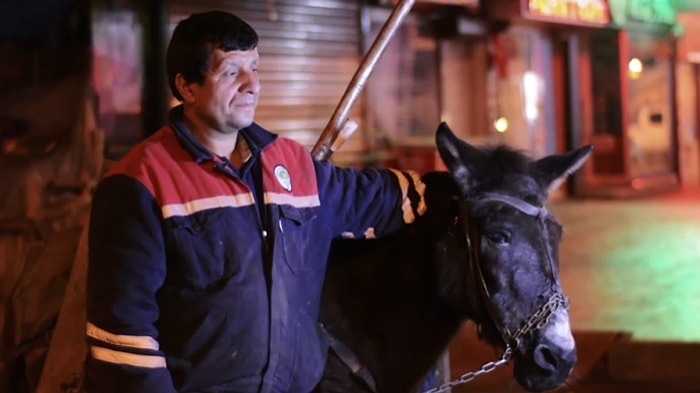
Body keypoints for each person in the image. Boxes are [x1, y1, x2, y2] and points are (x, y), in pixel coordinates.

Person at [85, 10, 426, 393]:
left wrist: (468, 185)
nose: (252, 85)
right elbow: (123, 336)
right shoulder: (140, 184)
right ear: (186, 87)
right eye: (232, 72)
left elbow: (373, 197)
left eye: (255, 67)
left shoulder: (292, 164)